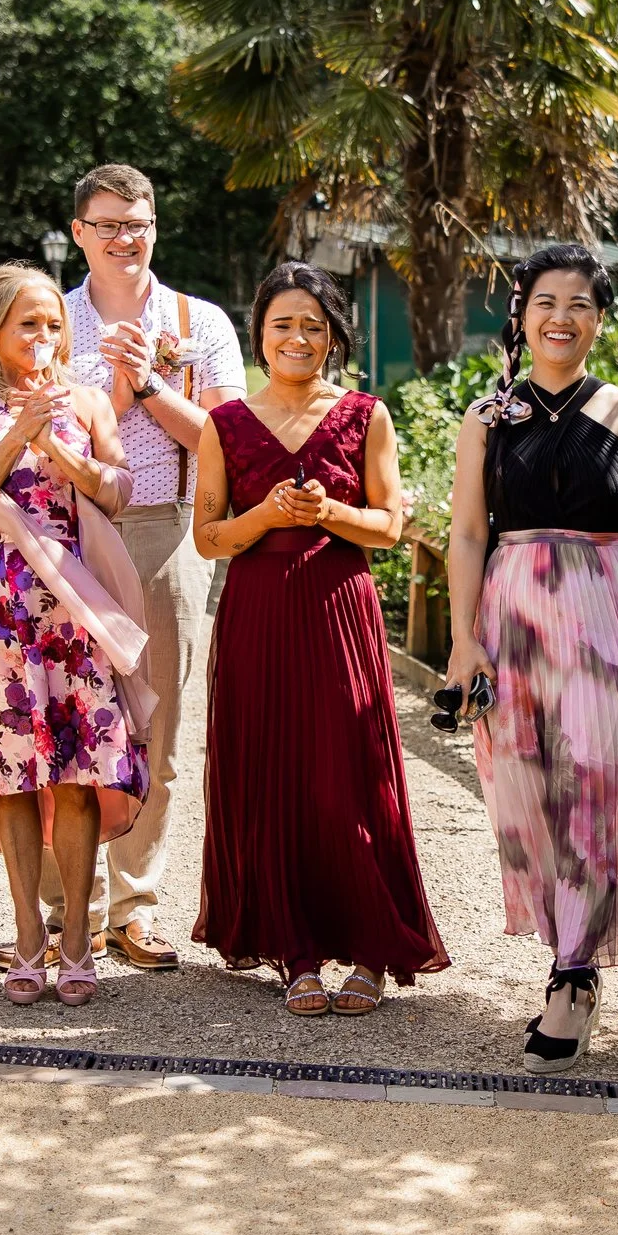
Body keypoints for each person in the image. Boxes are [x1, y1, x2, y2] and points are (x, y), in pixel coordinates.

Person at [442, 243, 618, 1072]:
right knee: (529, 785)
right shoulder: (488, 417)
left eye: (581, 303)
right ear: (521, 314)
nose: (562, 317)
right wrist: (461, 639)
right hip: (512, 616)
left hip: (606, 615)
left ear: (599, 318)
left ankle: (574, 973)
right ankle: (570, 956)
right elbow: (465, 532)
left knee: (598, 782)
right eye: (546, 302)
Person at [191, 262, 448, 1015]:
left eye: (313, 324)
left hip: (339, 609)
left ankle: (371, 947)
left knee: (350, 777)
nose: (297, 337)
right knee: (270, 774)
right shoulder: (225, 424)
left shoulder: (366, 414)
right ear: (259, 335)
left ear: (334, 335)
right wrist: (267, 516)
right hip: (258, 612)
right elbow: (208, 537)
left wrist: (327, 513)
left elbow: (391, 525)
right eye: (282, 324)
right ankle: (293, 949)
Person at [21, 163, 245, 973]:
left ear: (157, 226)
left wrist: (147, 381)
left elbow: (227, 442)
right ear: (79, 232)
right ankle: (59, 909)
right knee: (57, 719)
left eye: (139, 222)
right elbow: (43, 440)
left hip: (169, 525)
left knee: (161, 722)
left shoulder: (202, 320)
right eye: (109, 223)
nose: (126, 237)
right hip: (67, 527)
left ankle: (137, 904)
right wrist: (111, 395)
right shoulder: (49, 321)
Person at [0, 264, 149, 1009]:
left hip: (72, 611)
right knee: (9, 775)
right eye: (29, 323)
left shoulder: (85, 400)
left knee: (79, 775)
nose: (45, 336)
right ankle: (27, 936)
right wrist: (15, 433)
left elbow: (120, 491)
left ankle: (78, 940)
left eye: (54, 323)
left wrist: (60, 448)